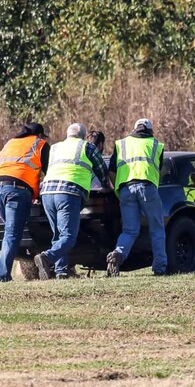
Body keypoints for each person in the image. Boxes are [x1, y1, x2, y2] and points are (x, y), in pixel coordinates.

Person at [33, 123, 107, 279]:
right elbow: (101, 169)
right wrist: (106, 185)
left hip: (47, 192)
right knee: (68, 237)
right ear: (82, 135)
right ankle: (46, 257)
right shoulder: (87, 147)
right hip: (69, 192)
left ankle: (61, 271)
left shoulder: (54, 147)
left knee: (58, 235)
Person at [106, 118, 167, 276]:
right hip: (147, 188)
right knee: (157, 229)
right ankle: (160, 267)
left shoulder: (121, 144)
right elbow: (159, 170)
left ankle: (118, 255)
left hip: (126, 189)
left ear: (135, 129)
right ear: (150, 131)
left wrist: (118, 190)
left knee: (130, 231)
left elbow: (111, 171)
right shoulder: (156, 145)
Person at [0, 123, 49, 282]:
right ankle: (2, 276)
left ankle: (2, 266)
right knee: (12, 234)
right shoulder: (40, 144)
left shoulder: (10, 142)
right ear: (40, 134)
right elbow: (49, 171)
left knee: (9, 232)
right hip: (17, 189)